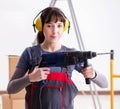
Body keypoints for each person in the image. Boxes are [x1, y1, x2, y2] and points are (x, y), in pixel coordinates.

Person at [7, 7, 108, 109]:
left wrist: (93, 74)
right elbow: (11, 89)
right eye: (49, 25)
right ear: (41, 27)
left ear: (64, 27)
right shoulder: (30, 53)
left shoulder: (72, 54)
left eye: (59, 26)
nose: (55, 31)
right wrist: (30, 78)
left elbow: (104, 84)